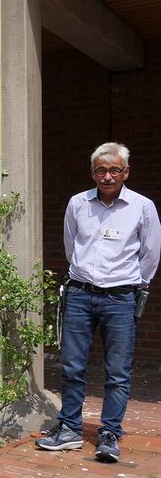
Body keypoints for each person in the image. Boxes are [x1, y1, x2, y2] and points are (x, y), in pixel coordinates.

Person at [36, 142, 160, 464]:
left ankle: (109, 433)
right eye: (101, 170)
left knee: (118, 371)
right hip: (79, 294)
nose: (107, 176)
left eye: (114, 170)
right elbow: (70, 246)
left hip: (120, 298)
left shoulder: (142, 206)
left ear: (126, 172)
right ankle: (71, 430)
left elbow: (150, 254)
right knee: (72, 366)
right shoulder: (77, 204)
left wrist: (133, 284)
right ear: (93, 172)